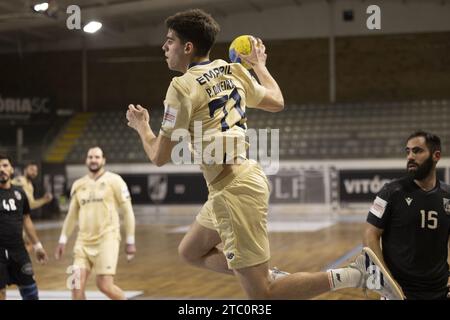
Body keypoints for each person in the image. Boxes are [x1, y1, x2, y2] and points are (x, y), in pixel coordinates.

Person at [126, 9, 403, 300]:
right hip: (240, 179)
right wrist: (259, 65)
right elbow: (277, 101)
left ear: (188, 47)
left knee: (263, 295)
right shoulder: (231, 70)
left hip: (233, 192)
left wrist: (142, 127)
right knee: (190, 251)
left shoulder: (181, 87)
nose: (164, 47)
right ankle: (266, 274)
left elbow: (159, 156)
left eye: (169, 41)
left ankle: (357, 273)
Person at [364, 131, 450, 300]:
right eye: (408, 151)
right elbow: (369, 234)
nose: (410, 156)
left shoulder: (448, 195)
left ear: (436, 155)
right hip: (400, 292)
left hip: (440, 290)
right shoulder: (391, 192)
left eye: (417, 151)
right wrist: (385, 281)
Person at [54, 147, 136, 300]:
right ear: (86, 160)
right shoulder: (78, 184)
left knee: (104, 285)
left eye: (97, 157)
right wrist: (62, 240)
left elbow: (128, 211)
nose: (93, 160)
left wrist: (130, 241)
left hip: (107, 239)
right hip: (83, 242)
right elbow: (71, 216)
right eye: (90, 157)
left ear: (103, 160)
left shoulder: (115, 181)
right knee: (75, 286)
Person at [0, 155, 49, 300]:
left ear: (11, 169)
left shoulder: (20, 193)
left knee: (31, 294)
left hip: (19, 251)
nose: (1, 169)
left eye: (4, 166)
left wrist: (38, 246)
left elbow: (26, 219)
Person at [12, 162, 53, 252]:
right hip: (12, 218)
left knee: (28, 245)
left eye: (35, 171)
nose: (34, 172)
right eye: (31, 170)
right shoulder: (19, 181)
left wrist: (44, 200)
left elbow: (30, 205)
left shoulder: (30, 186)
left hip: (21, 220)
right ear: (25, 170)